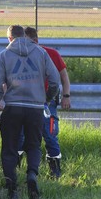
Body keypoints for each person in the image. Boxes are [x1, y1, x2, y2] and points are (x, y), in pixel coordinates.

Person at [0, 25, 60, 199]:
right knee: (34, 145)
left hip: (13, 108)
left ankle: (12, 187)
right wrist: (46, 99)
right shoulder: (41, 53)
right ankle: (32, 176)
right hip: (35, 108)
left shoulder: (4, 55)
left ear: (10, 38)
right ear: (25, 36)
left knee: (9, 148)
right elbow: (55, 80)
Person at [21, 26, 71, 178]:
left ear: (35, 41)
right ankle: (17, 169)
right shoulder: (19, 55)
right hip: (25, 100)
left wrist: (66, 96)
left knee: (49, 134)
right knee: (20, 135)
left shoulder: (51, 54)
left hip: (46, 101)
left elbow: (64, 77)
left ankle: (55, 171)